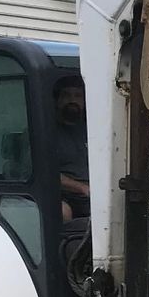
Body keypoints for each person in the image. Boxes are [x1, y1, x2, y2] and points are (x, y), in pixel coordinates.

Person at [55, 78, 89, 220]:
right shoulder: (45, 131)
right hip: (61, 195)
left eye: (78, 96)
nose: (72, 100)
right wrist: (81, 188)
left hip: (93, 195)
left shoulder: (93, 130)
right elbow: (46, 173)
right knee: (63, 212)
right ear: (57, 100)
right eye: (66, 95)